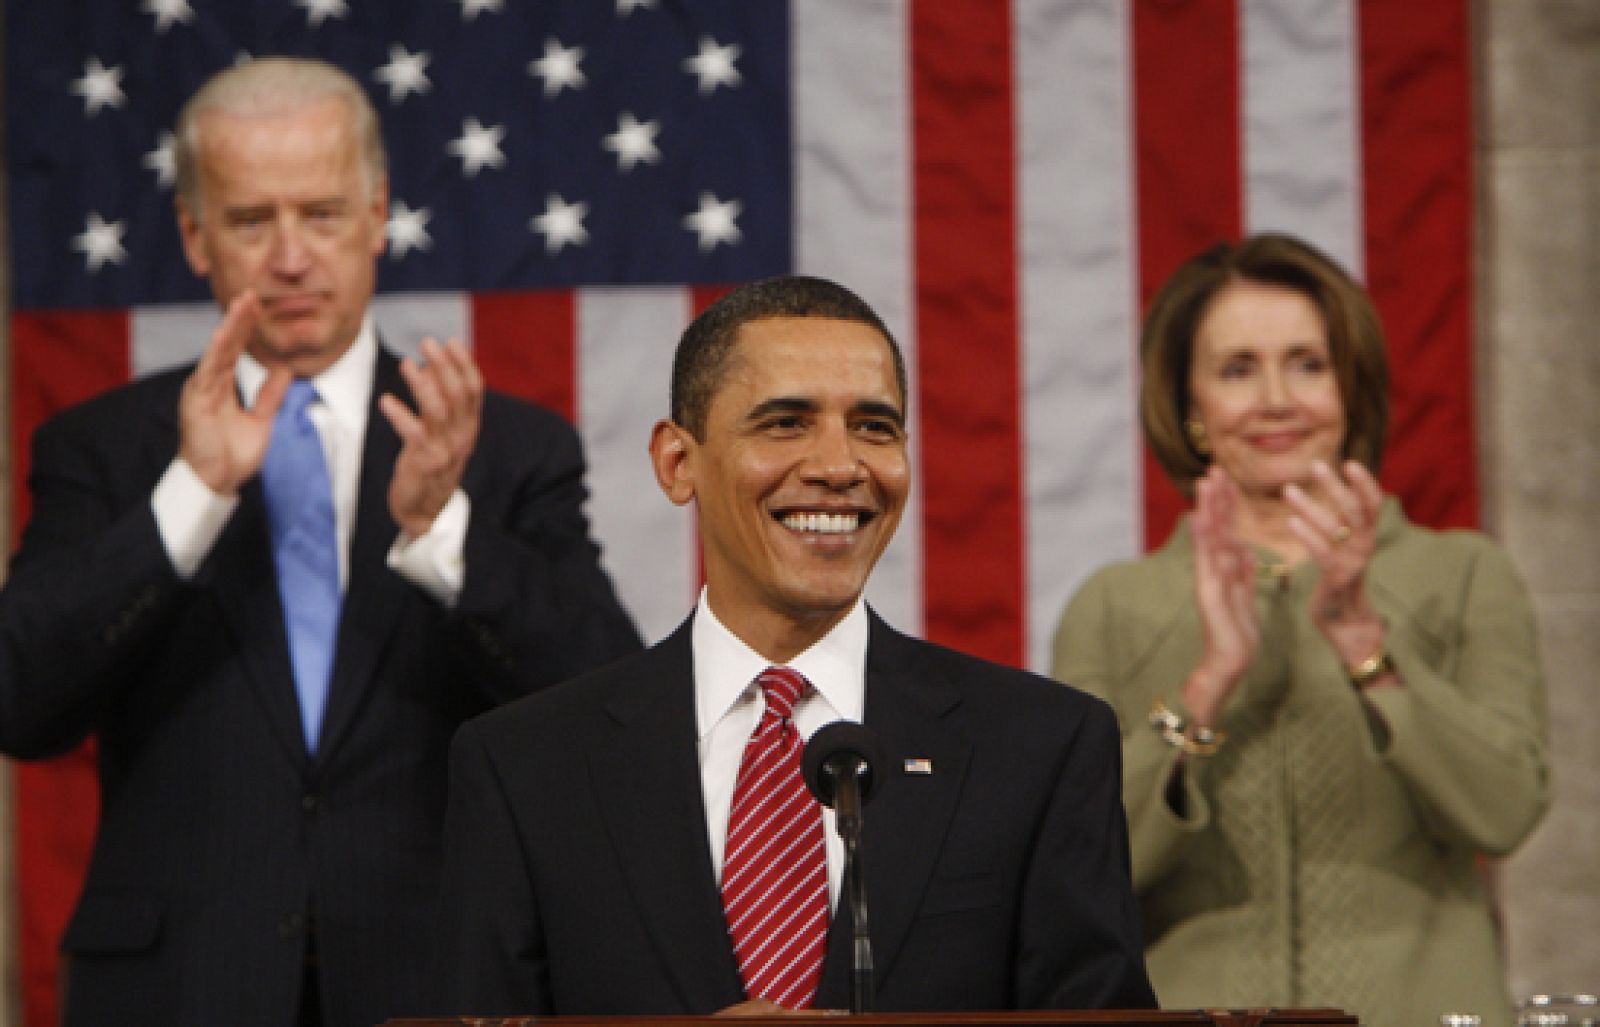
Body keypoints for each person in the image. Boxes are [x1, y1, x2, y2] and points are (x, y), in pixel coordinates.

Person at [0, 57, 642, 1027]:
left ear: (379, 216)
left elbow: (607, 712)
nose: (289, 257)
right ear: (193, 235)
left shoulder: (505, 448)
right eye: (252, 220)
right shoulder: (104, 446)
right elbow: (19, 702)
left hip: (434, 985)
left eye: (324, 214)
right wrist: (194, 494)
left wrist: (441, 527)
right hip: (174, 991)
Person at [434, 274, 1157, 1016]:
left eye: (875, 426)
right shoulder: (525, 768)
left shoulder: (1042, 749)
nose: (840, 466)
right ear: (678, 462)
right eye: (786, 423)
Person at [1051, 233, 1550, 1027]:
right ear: (1192, 410)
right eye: (1238, 368)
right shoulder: (1113, 605)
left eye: (1308, 363)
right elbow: (1082, 867)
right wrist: (1207, 686)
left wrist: (1367, 649)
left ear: (1351, 389)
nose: (1276, 397)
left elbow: (1505, 808)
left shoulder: (1462, 573)